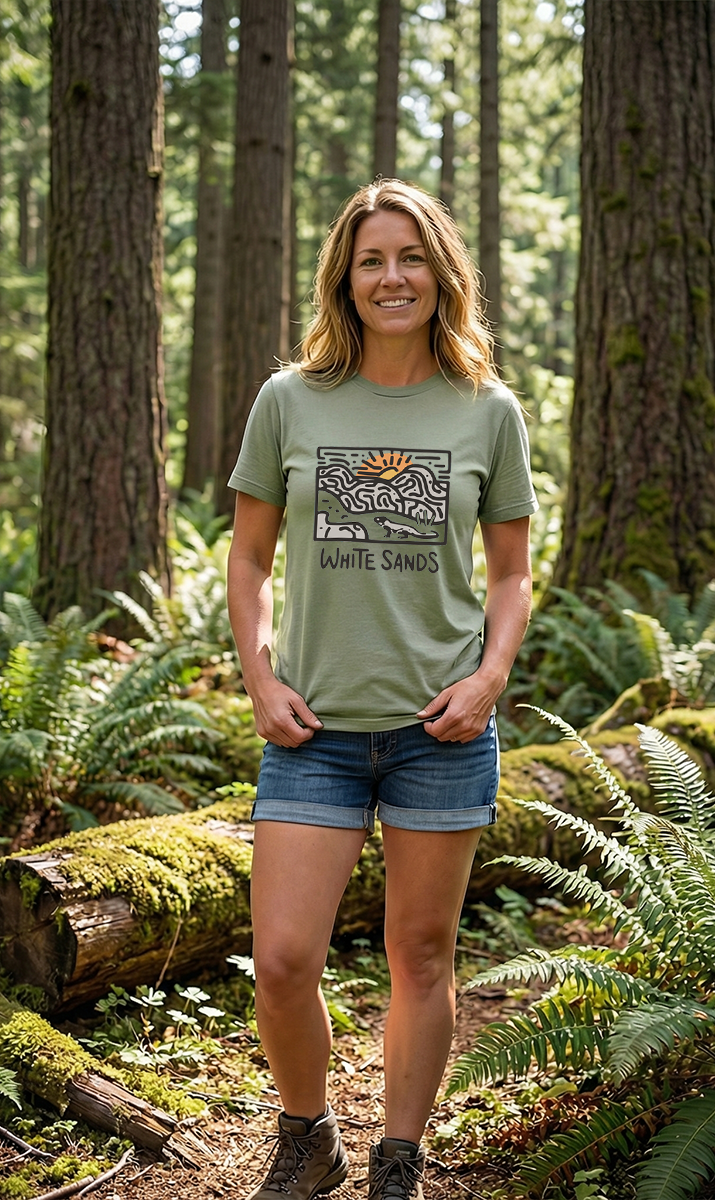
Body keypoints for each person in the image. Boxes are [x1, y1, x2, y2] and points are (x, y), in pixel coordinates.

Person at [227, 178, 536, 1200]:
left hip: (438, 734)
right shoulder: (291, 400)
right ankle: (308, 1135)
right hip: (312, 731)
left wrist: (489, 680)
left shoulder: (488, 412)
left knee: (420, 957)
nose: (391, 276)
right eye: (372, 260)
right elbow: (248, 561)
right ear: (345, 278)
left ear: (441, 274)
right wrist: (259, 676)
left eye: (411, 257)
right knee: (280, 961)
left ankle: (398, 1158)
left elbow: (509, 577)